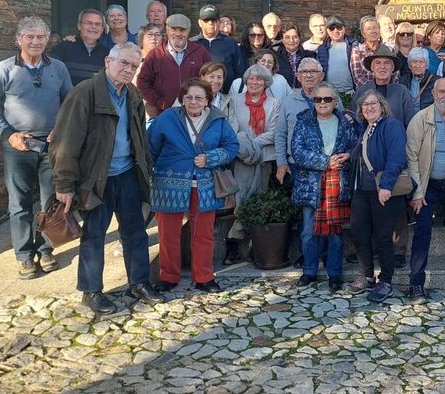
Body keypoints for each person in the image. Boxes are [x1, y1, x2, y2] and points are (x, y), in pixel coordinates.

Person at [50, 42, 162, 313]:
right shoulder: (85, 93)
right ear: (108, 62)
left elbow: (139, 138)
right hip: (96, 179)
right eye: (124, 63)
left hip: (128, 175)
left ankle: (139, 282)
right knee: (94, 235)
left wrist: (146, 171)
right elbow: (65, 142)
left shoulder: (133, 94)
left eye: (134, 66)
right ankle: (91, 291)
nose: (129, 69)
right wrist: (64, 184)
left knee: (135, 232)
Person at [0, 16, 73, 280]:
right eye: (30, 37)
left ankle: (45, 249)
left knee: (49, 202)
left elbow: (69, 103)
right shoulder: (2, 69)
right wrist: (8, 134)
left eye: (40, 37)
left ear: (47, 40)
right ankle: (23, 255)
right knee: (19, 203)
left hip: (51, 145)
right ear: (19, 39)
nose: (35, 41)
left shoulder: (58, 68)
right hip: (18, 145)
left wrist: (61, 129)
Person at [148, 78, 239, 293]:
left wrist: (211, 157)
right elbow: (149, 146)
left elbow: (232, 146)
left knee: (203, 234)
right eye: (188, 97)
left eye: (199, 97)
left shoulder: (218, 119)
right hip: (168, 183)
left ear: (208, 100)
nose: (193, 101)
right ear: (182, 99)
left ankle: (204, 277)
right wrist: (148, 176)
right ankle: (168, 276)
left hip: (204, 184)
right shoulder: (168, 117)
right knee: (168, 233)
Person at [291, 82, 360, 292]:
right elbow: (297, 152)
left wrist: (346, 158)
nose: (322, 103)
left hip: (337, 185)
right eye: (318, 99)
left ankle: (334, 273)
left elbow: (355, 149)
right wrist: (326, 162)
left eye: (327, 99)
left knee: (335, 234)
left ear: (335, 101)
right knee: (308, 232)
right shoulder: (303, 122)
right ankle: (309, 272)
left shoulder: (345, 124)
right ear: (313, 101)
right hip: (311, 186)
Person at [405, 78, 445, 301]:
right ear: (433, 93)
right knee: (423, 230)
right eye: (442, 91)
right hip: (427, 185)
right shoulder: (421, 119)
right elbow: (411, 156)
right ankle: (416, 283)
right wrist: (417, 192)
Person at [349, 90, 411, 303]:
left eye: (373, 103)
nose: (369, 107)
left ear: (382, 106)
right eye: (365, 105)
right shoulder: (367, 129)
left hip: (383, 190)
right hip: (363, 190)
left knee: (384, 237)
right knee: (359, 233)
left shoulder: (391, 125)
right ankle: (367, 275)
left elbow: (396, 157)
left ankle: (386, 281)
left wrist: (386, 186)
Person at [225, 64, 281, 263]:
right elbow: (232, 129)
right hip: (241, 158)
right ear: (246, 80)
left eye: (259, 79)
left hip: (264, 158)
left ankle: (250, 244)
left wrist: (251, 145)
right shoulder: (234, 100)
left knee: (257, 198)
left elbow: (273, 132)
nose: (255, 82)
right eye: (251, 78)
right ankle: (233, 243)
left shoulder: (274, 103)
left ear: (266, 83)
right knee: (240, 198)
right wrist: (245, 148)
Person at [136, 13, 212, 119]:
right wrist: (160, 102)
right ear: (167, 29)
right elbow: (142, 83)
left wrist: (202, 101)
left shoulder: (200, 52)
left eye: (182, 30)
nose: (177, 33)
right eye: (173, 29)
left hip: (197, 114)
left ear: (189, 31)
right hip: (164, 115)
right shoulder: (155, 55)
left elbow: (210, 79)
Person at [274, 57, 329, 186]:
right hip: (296, 165)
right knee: (300, 199)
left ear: (321, 76)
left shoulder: (331, 98)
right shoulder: (288, 101)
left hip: (326, 162)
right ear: (298, 77)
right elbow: (280, 133)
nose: (309, 75)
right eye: (304, 72)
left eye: (313, 71)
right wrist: (281, 163)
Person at [355, 45, 415, 127]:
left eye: (386, 63)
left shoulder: (402, 92)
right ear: (372, 67)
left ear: (392, 68)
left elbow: (411, 123)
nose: (382, 67)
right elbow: (355, 119)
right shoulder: (362, 91)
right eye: (378, 63)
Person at [191, 5, 245, 94]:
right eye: (206, 20)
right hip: (197, 96)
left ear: (219, 22)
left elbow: (239, 71)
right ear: (200, 23)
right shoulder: (192, 43)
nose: (210, 23)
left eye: (214, 20)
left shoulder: (230, 42)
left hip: (226, 96)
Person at [51, 9, 109, 86]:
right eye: (89, 23)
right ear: (79, 26)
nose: (93, 27)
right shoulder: (63, 48)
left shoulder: (107, 54)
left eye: (98, 24)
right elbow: (51, 77)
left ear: (102, 29)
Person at [316, 15, 358, 96]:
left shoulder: (354, 46)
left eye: (339, 27)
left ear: (344, 28)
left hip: (351, 93)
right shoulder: (321, 49)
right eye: (332, 28)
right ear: (327, 30)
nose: (335, 31)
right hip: (329, 95)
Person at [399, 47, 439, 119]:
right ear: (409, 65)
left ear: (426, 65)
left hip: (427, 120)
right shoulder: (403, 80)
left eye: (421, 62)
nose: (417, 65)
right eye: (414, 62)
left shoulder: (436, 81)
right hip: (408, 121)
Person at [274, 22, 317, 89]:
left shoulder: (310, 56)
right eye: (287, 37)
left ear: (299, 38)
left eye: (295, 37)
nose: (291, 40)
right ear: (282, 40)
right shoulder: (275, 57)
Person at [350, 15, 384, 89]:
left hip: (387, 91)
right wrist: (375, 89)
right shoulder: (357, 50)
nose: (373, 31)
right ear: (363, 34)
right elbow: (357, 76)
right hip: (366, 92)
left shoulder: (388, 50)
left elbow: (395, 74)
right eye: (368, 29)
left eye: (375, 28)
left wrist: (385, 88)